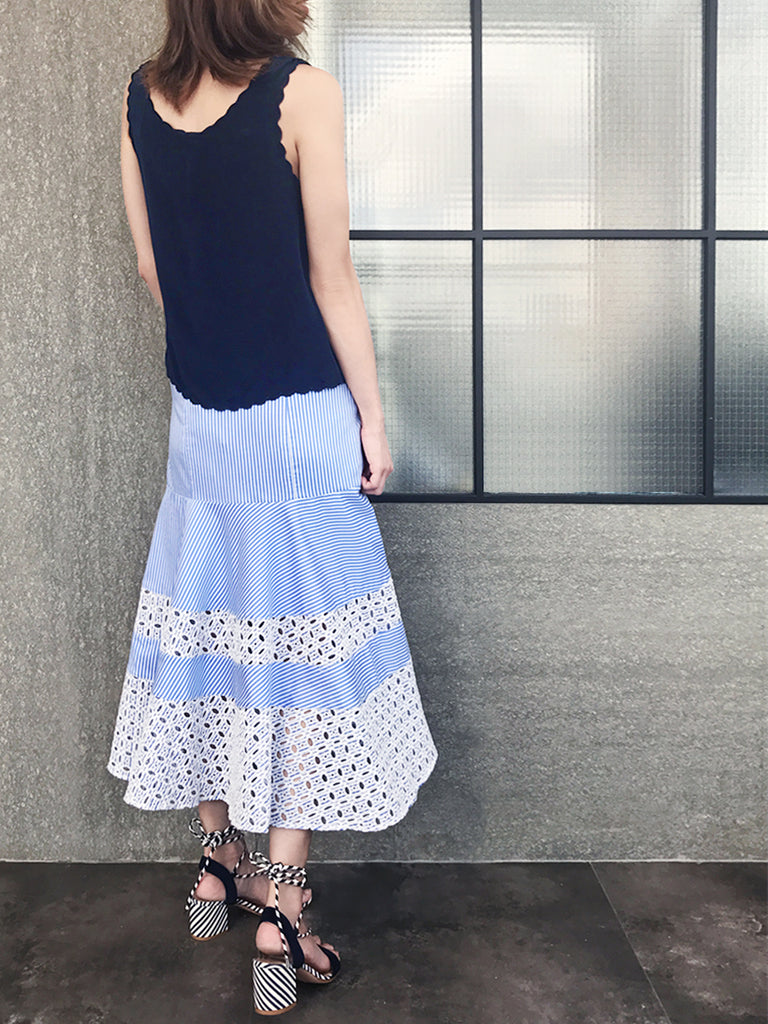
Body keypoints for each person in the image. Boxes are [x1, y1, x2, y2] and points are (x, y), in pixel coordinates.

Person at [106, 0, 438, 1014]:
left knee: (207, 626)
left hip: (200, 425)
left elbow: (155, 269)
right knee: (303, 651)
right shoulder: (304, 94)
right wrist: (372, 419)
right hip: (295, 421)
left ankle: (219, 860)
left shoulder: (142, 98)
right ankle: (284, 908)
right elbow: (331, 275)